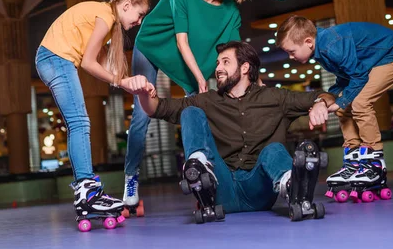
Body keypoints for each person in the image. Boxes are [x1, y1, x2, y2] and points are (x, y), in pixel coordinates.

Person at [133, 41, 332, 217]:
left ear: (245, 67)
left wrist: (321, 103)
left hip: (259, 191)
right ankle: (199, 167)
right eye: (218, 63)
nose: (218, 68)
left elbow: (324, 95)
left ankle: (292, 187)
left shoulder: (275, 98)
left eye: (225, 62)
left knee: (272, 150)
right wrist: (143, 93)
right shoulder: (209, 100)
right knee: (190, 111)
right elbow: (157, 108)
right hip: (222, 188)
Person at [123, 0, 250, 210]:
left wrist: (253, 79)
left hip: (188, 61)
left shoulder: (230, 11)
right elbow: (181, 41)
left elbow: (235, 51)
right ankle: (130, 179)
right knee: (142, 115)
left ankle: (202, 181)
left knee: (199, 113)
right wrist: (200, 81)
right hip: (153, 45)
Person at [35, 0, 155, 218]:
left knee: (78, 123)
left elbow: (102, 65)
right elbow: (89, 63)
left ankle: (86, 190)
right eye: (139, 15)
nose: (139, 21)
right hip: (56, 58)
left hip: (51, 59)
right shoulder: (106, 16)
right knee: (79, 123)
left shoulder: (104, 18)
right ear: (127, 6)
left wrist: (131, 83)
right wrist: (120, 82)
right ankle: (87, 194)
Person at [276, 16, 393, 200]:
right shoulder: (322, 50)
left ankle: (374, 161)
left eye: (291, 51)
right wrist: (329, 102)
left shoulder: (331, 45)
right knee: (342, 107)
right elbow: (344, 79)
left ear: (308, 42)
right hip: (374, 62)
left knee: (360, 102)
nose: (290, 57)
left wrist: (339, 101)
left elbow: (358, 77)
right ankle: (355, 159)